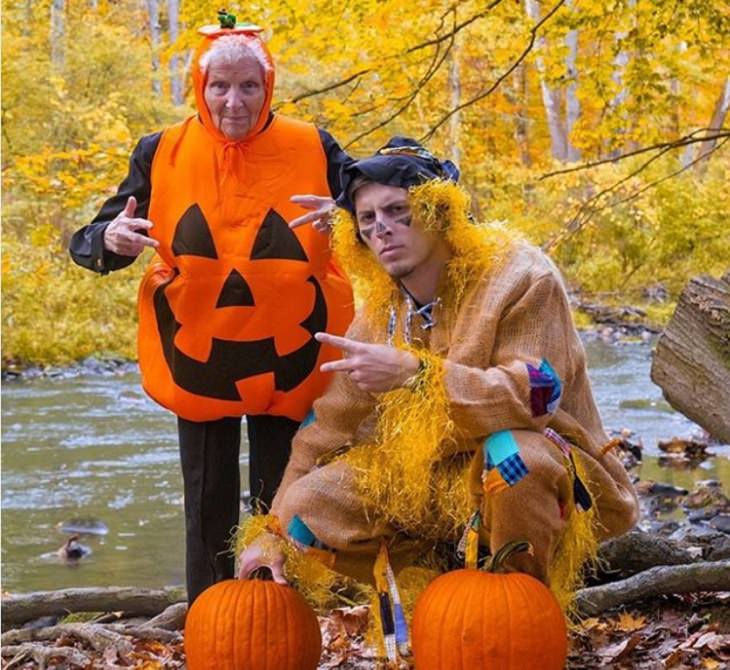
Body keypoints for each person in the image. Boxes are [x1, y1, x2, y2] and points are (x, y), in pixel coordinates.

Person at [238, 137, 639, 616]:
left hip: (549, 468)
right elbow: (323, 430)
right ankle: (436, 588)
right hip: (433, 484)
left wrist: (418, 374)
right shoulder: (378, 313)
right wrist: (272, 531)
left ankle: (519, 608)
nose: (383, 229)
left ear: (439, 212)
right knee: (306, 506)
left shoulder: (520, 276)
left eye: (398, 211)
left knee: (512, 457)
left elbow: (535, 400)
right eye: (368, 220)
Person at [69, 14, 353, 603]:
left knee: (286, 498)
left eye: (249, 85)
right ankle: (212, 619)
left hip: (293, 352)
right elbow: (97, 235)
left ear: (268, 87)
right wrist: (109, 242)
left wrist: (347, 222)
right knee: (206, 501)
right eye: (220, 86)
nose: (234, 100)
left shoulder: (315, 147)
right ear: (199, 88)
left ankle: (285, 620)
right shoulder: (161, 151)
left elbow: (380, 211)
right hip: (198, 350)